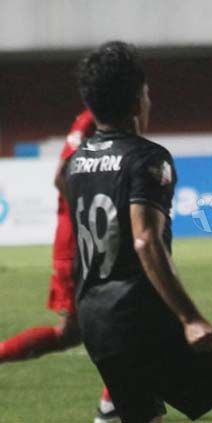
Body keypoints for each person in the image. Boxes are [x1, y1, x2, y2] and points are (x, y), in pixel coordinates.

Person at [66, 41, 212, 423]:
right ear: (136, 102)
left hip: (96, 321)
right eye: (146, 94)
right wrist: (190, 318)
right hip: (141, 319)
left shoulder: (77, 163)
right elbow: (145, 239)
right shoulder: (147, 158)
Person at [0, 109, 122, 423]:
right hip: (79, 244)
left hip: (84, 242)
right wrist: (89, 213)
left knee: (73, 333)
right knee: (124, 321)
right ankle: (110, 411)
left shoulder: (103, 120)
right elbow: (61, 175)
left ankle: (114, 407)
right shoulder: (89, 120)